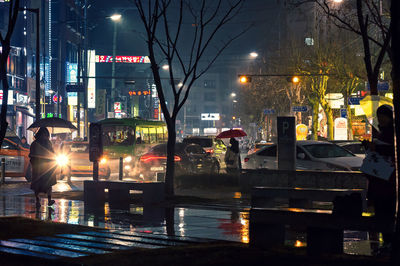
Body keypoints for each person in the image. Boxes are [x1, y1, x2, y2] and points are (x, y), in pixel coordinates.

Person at [363, 105, 395, 252]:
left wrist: (377, 148)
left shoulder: (390, 133)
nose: (381, 119)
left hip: (387, 180)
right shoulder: (381, 133)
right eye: (379, 116)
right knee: (381, 212)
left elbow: (391, 151)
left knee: (386, 212)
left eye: (383, 116)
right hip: (380, 179)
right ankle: (387, 241)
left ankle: (389, 242)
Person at [29, 128, 57, 208]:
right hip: (47, 166)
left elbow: (31, 155)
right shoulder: (48, 143)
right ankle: (49, 200)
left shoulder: (34, 143)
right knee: (48, 183)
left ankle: (37, 200)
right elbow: (52, 153)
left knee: (37, 183)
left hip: (37, 166)